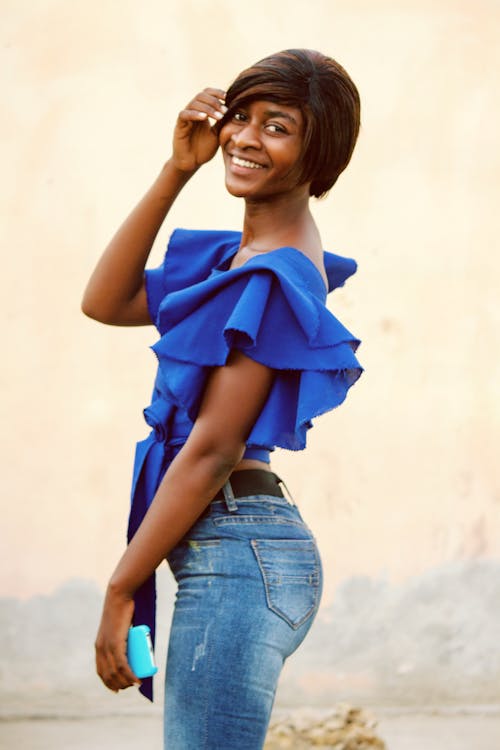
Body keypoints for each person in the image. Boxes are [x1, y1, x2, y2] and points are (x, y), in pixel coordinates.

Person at [82, 48, 362, 749]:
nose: (242, 137)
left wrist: (121, 589)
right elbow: (105, 300)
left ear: (318, 154)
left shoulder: (273, 277)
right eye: (242, 116)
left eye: (277, 126)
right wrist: (178, 169)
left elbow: (210, 451)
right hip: (235, 546)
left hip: (241, 553)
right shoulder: (231, 261)